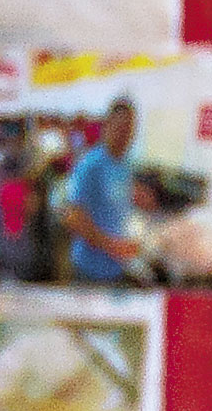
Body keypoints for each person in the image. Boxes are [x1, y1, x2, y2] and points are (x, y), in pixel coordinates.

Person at [55, 99, 147, 284]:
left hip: (117, 268)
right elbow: (72, 216)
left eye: (129, 130)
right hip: (89, 270)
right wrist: (110, 245)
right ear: (107, 126)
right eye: (120, 128)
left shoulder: (125, 164)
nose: (125, 135)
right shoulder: (91, 164)